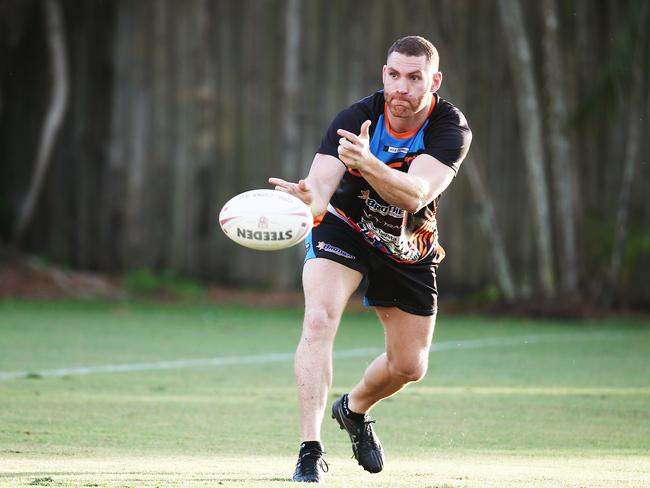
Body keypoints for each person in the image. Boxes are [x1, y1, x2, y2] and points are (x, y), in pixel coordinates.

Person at [269, 35, 471, 483]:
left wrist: (367, 164)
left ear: (433, 81)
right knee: (318, 320)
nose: (402, 88)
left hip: (406, 242)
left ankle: (354, 408)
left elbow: (416, 193)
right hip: (346, 227)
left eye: (414, 78)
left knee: (409, 366)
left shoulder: (449, 128)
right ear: (384, 74)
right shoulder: (356, 117)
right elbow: (320, 188)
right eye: (394, 75)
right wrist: (309, 197)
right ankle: (309, 450)